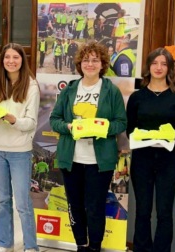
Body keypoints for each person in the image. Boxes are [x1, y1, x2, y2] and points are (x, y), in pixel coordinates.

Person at [49, 42, 127, 252]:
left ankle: (95, 247)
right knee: (75, 206)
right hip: (71, 159)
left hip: (99, 161)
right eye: (86, 60)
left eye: (95, 60)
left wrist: (101, 127)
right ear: (79, 63)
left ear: (102, 64)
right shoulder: (70, 90)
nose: (90, 64)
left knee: (95, 208)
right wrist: (68, 126)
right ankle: (81, 246)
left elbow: (121, 122)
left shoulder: (111, 90)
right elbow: (54, 119)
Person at [126, 48, 175, 252]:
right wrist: (145, 138)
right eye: (155, 63)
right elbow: (129, 130)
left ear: (169, 68)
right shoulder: (137, 97)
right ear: (149, 67)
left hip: (168, 161)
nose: (159, 67)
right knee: (143, 211)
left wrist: (165, 138)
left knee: (164, 212)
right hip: (142, 160)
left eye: (163, 64)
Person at [0, 43, 40, 252]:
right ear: (2, 61)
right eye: (7, 57)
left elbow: (31, 123)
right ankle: (4, 244)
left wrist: (12, 119)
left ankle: (31, 246)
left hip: (20, 153)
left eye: (16, 57)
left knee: (23, 204)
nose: (11, 61)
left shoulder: (31, 87)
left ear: (22, 60)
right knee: (3, 200)